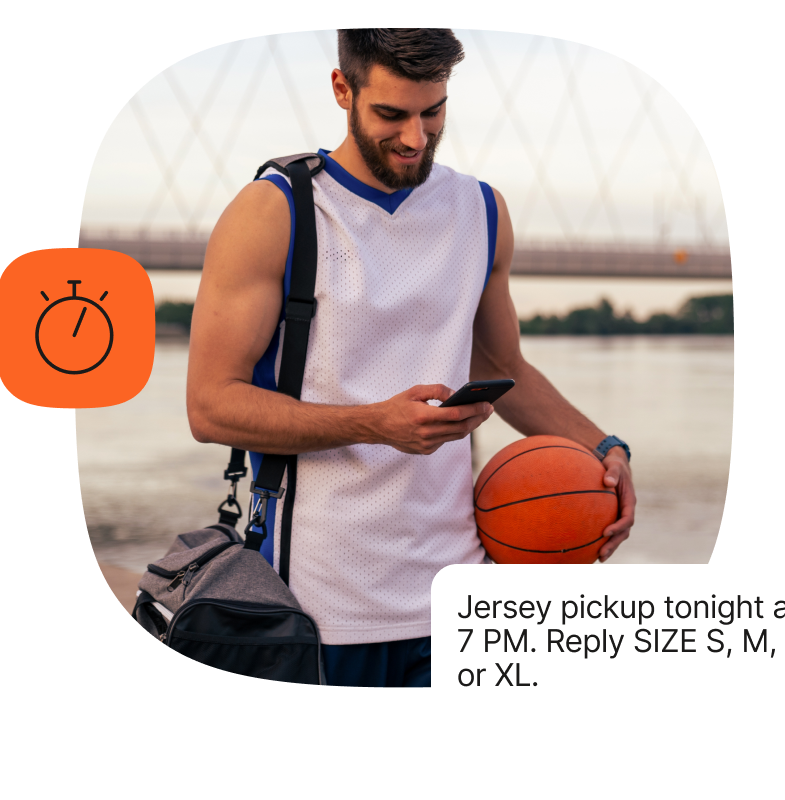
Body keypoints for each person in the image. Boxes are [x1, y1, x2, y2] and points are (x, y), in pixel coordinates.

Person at [186, 28, 635, 688]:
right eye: (391, 115)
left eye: (434, 112)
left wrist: (604, 449)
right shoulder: (275, 212)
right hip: (320, 610)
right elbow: (210, 406)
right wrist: (373, 423)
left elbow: (506, 368)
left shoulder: (482, 211)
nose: (415, 138)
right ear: (343, 90)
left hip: (463, 598)